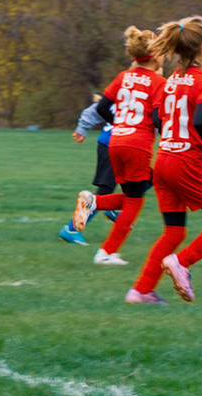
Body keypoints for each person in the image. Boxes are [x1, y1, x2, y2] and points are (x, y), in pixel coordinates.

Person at [128, 17, 202, 304]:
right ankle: (182, 262)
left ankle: (140, 291)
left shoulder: (167, 83)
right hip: (184, 164)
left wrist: (179, 141)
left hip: (163, 159)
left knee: (174, 230)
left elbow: (157, 119)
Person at [69, 26, 164, 266]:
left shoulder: (123, 77)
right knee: (135, 200)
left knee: (131, 194)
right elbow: (157, 118)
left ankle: (94, 203)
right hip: (137, 146)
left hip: (115, 141)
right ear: (155, 56)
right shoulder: (159, 82)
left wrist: (120, 125)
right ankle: (107, 253)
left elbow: (102, 107)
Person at [57, 94, 119, 247]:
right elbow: (97, 109)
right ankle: (71, 229)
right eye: (159, 69)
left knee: (147, 179)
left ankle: (110, 205)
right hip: (113, 145)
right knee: (104, 191)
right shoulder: (144, 85)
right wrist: (82, 128)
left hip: (125, 146)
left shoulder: (136, 84)